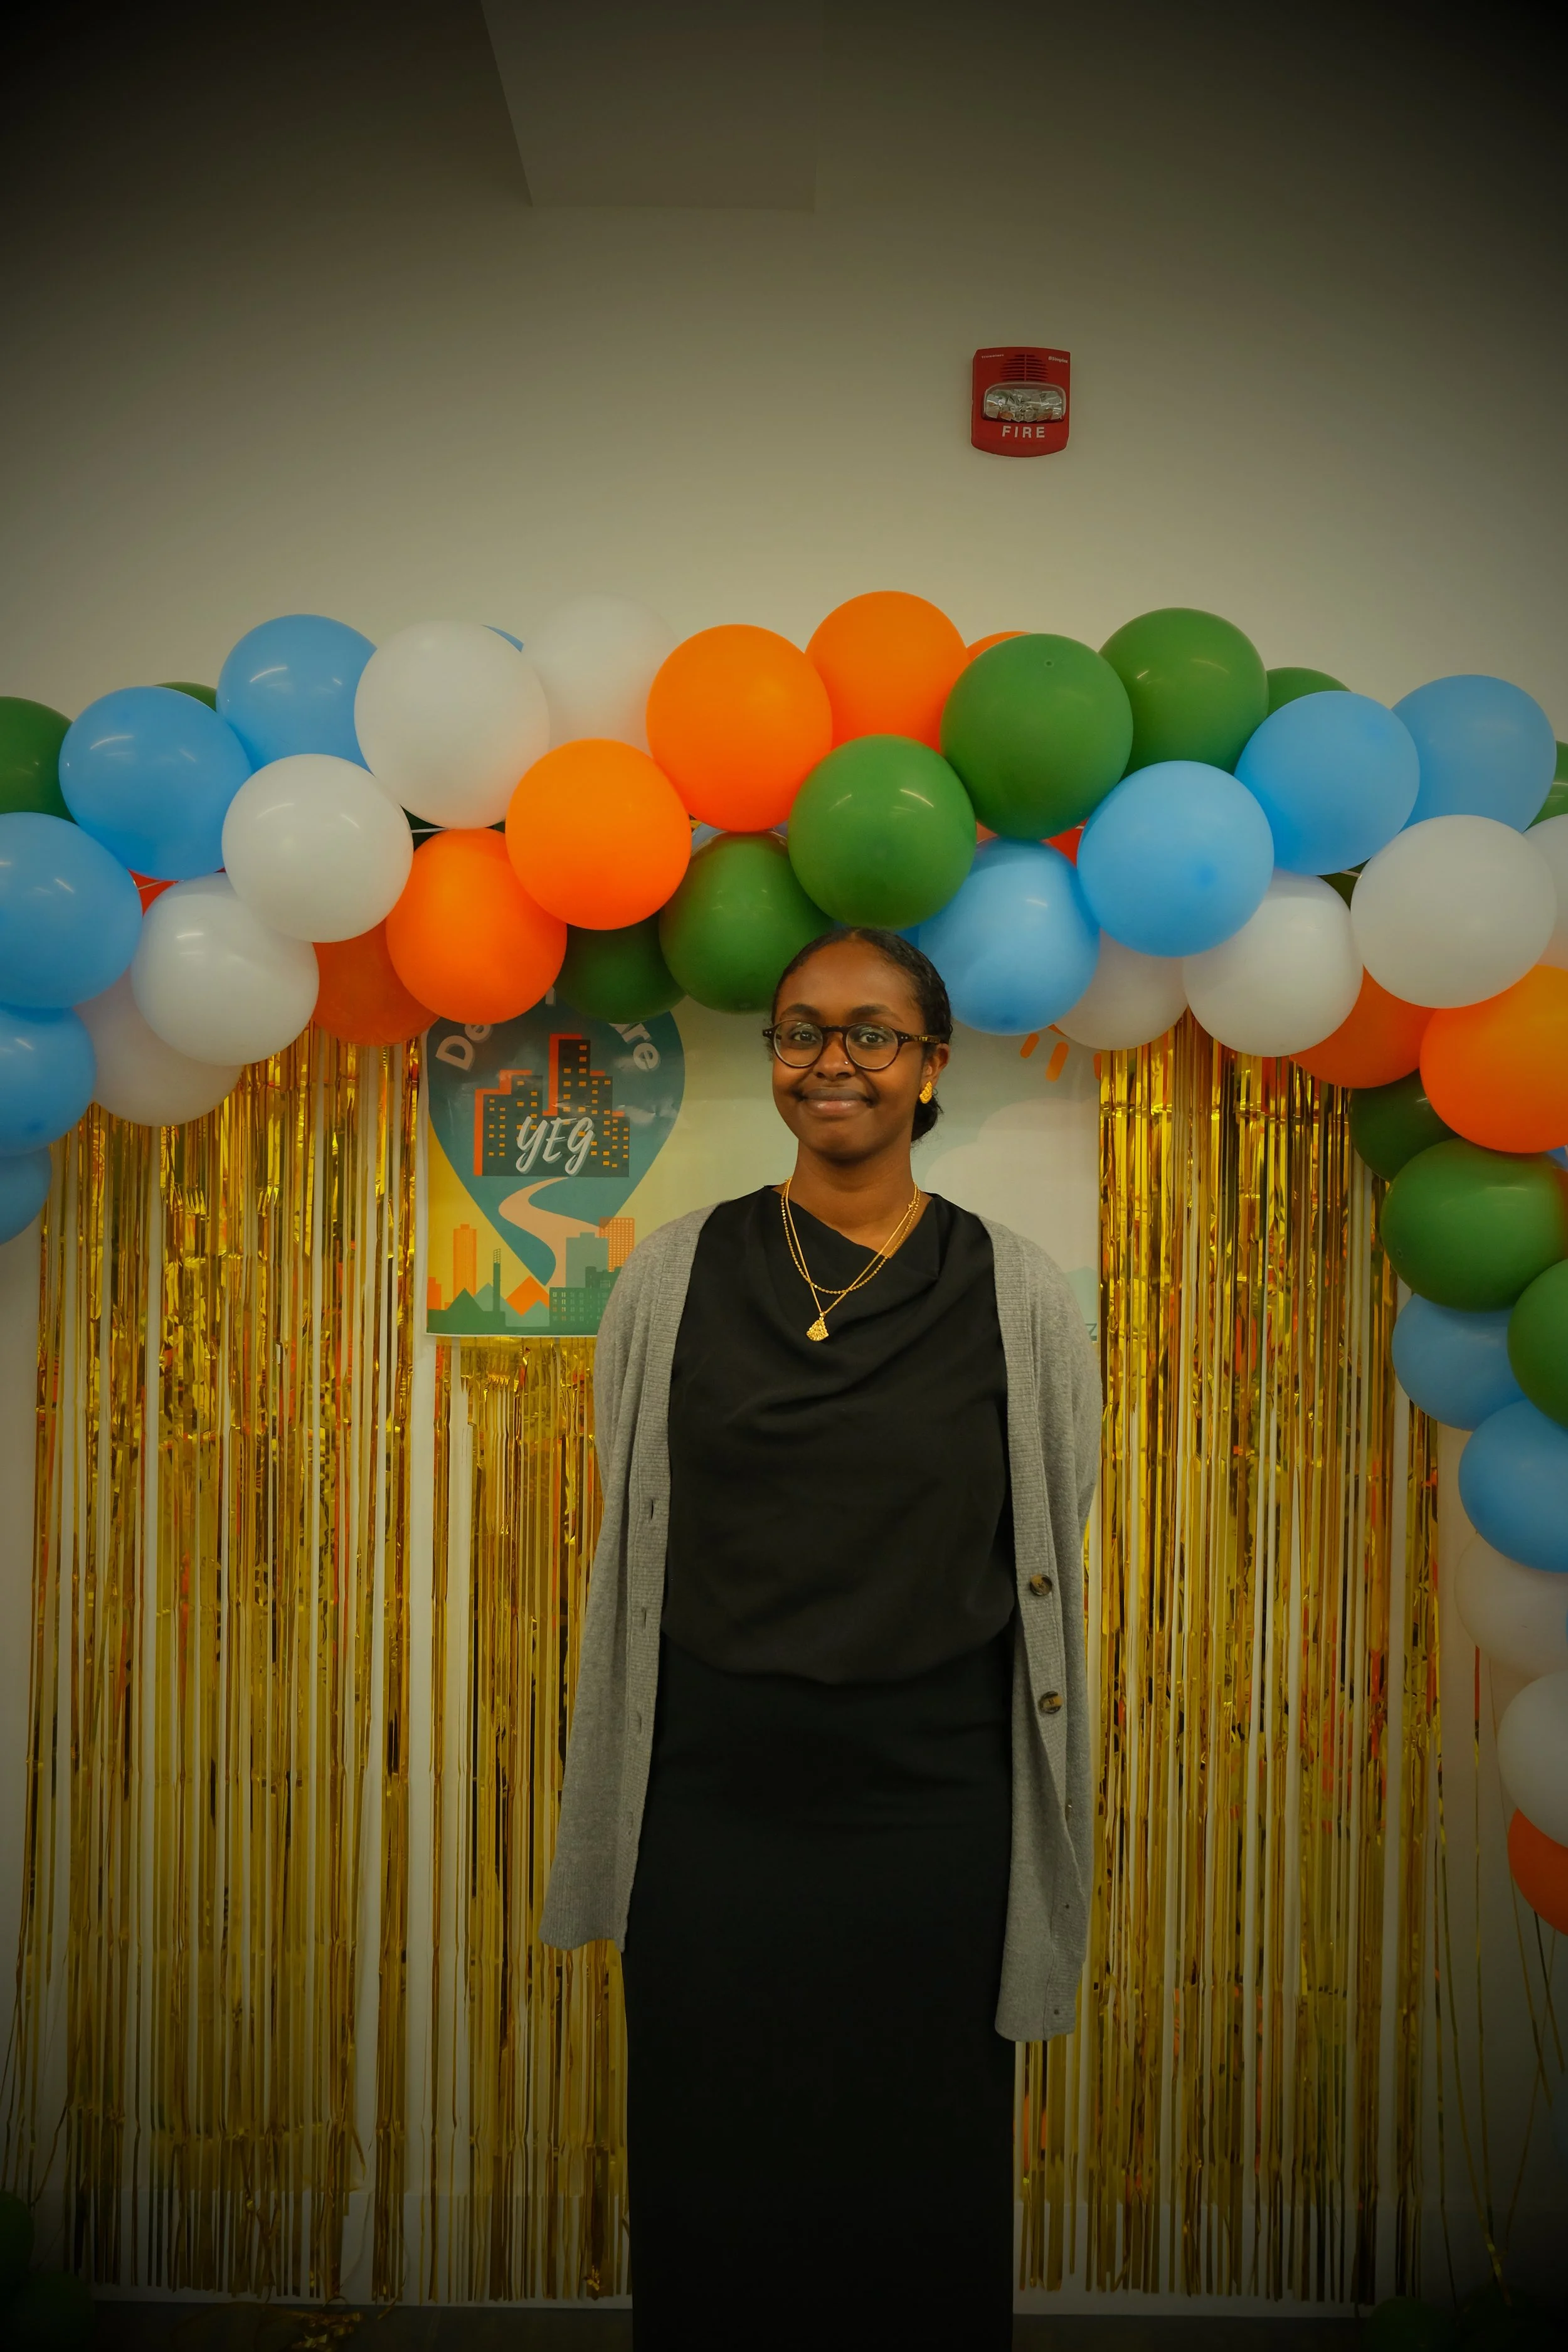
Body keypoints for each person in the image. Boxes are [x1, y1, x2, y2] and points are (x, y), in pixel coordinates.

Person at [541, 925, 1100, 2351]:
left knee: (921, 2186)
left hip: (933, 1806)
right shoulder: (670, 1276)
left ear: (929, 1069)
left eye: (870, 1033)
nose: (830, 1061)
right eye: (800, 1031)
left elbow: (1050, 1524)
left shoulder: (1019, 1295)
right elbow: (635, 1521)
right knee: (712, 2174)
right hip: (712, 1804)